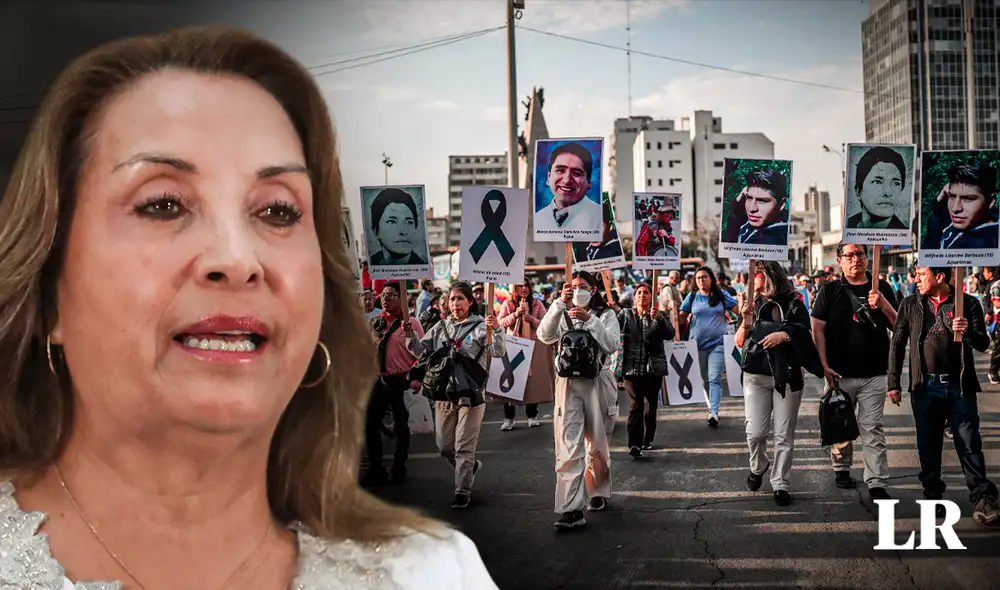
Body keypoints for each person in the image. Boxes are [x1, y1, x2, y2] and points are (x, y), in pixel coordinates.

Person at [0, 25, 496, 589]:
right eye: (163, 204)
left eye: (278, 211)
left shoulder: (433, 574)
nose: (237, 260)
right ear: (50, 292)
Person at [887, 267, 999, 524]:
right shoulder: (910, 304)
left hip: (960, 387)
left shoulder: (966, 303)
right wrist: (893, 382)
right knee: (928, 444)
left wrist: (967, 330)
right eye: (916, 274)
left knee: (969, 442)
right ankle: (932, 494)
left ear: (939, 277)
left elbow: (983, 343)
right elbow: (897, 343)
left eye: (921, 274)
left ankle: (982, 497)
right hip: (925, 387)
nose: (916, 279)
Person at [811, 243, 897, 500]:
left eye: (860, 254)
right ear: (840, 261)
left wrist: (883, 304)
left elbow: (898, 325)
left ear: (867, 258)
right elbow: (817, 330)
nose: (855, 259)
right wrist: (824, 366)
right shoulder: (829, 290)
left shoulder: (882, 288)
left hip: (875, 372)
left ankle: (876, 481)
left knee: (873, 427)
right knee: (840, 424)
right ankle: (841, 468)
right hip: (839, 373)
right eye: (849, 255)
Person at [537, 271, 620, 529]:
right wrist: (558, 304)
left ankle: (597, 490)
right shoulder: (561, 311)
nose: (577, 290)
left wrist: (590, 320)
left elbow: (612, 344)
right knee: (568, 444)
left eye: (583, 286)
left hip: (597, 382)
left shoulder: (605, 315)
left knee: (597, 443)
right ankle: (571, 508)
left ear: (593, 290)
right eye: (573, 287)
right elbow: (544, 335)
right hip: (568, 384)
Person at [735, 262, 822, 507]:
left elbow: (805, 333)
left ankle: (780, 483)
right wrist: (745, 319)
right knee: (755, 433)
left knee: (784, 435)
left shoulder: (793, 302)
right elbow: (739, 342)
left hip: (788, 375)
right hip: (755, 376)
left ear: (769, 276)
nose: (751, 277)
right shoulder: (750, 304)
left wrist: (785, 334)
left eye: (756, 273)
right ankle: (758, 465)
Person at [415, 282, 504, 509]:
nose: (456, 304)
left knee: (464, 445)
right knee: (445, 447)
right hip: (444, 393)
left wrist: (497, 330)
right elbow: (420, 352)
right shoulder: (440, 327)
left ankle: (462, 491)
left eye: (460, 299)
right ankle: (469, 467)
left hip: (471, 395)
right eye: (452, 299)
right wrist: (409, 335)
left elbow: (499, 351)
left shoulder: (481, 326)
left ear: (470, 302)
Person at [363, 282, 423, 485]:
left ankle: (399, 465)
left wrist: (416, 377)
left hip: (401, 381)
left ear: (402, 298)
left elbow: (421, 354)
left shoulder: (411, 323)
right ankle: (376, 468)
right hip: (379, 380)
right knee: (371, 424)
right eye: (383, 295)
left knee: (401, 425)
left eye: (390, 295)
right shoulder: (375, 322)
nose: (385, 299)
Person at [618, 283, 674, 457]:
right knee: (636, 405)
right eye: (639, 293)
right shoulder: (625, 315)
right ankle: (634, 444)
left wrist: (660, 320)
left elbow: (670, 334)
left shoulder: (659, 315)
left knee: (650, 405)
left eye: (646, 292)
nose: (642, 295)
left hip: (653, 369)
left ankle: (646, 439)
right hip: (631, 369)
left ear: (652, 297)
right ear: (634, 297)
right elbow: (612, 329)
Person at [679, 267, 738, 428]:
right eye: (698, 278)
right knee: (705, 378)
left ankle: (713, 411)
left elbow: (738, 311)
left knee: (714, 377)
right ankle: (712, 405)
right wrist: (672, 312)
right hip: (697, 345)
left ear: (711, 279)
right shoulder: (692, 297)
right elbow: (681, 318)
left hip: (718, 344)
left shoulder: (721, 295)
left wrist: (745, 304)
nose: (701, 280)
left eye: (704, 277)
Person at [496, 280, 547, 430]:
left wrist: (531, 319)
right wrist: (515, 315)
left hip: (533, 346)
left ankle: (532, 415)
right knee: (510, 380)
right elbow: (499, 323)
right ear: (515, 288)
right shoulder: (508, 304)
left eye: (526, 285)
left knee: (531, 383)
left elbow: (546, 324)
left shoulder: (537, 304)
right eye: (520, 286)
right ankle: (509, 418)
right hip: (513, 347)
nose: (524, 288)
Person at [925, 160, 999, 250]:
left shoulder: (986, 244)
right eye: (952, 196)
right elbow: (937, 219)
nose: (955, 208)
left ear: (990, 201)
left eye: (968, 199)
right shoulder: (965, 219)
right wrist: (938, 203)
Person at [533, 142, 603, 233]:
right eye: (560, 170)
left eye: (576, 173)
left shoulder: (601, 219)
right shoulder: (537, 220)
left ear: (588, 182)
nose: (567, 180)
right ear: (549, 177)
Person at [846, 146, 909, 230]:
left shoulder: (905, 235)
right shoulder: (848, 226)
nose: (888, 192)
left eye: (896, 183)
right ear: (858, 191)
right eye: (877, 182)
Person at [722, 168, 790, 245]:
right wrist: (737, 209)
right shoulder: (763, 219)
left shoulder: (771, 242)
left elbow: (729, 248)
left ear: (781, 204)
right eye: (749, 198)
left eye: (762, 201)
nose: (752, 208)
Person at [369, 188, 429, 266]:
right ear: (376, 231)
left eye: (409, 222)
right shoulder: (370, 266)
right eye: (392, 222)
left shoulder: (422, 269)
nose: (402, 231)